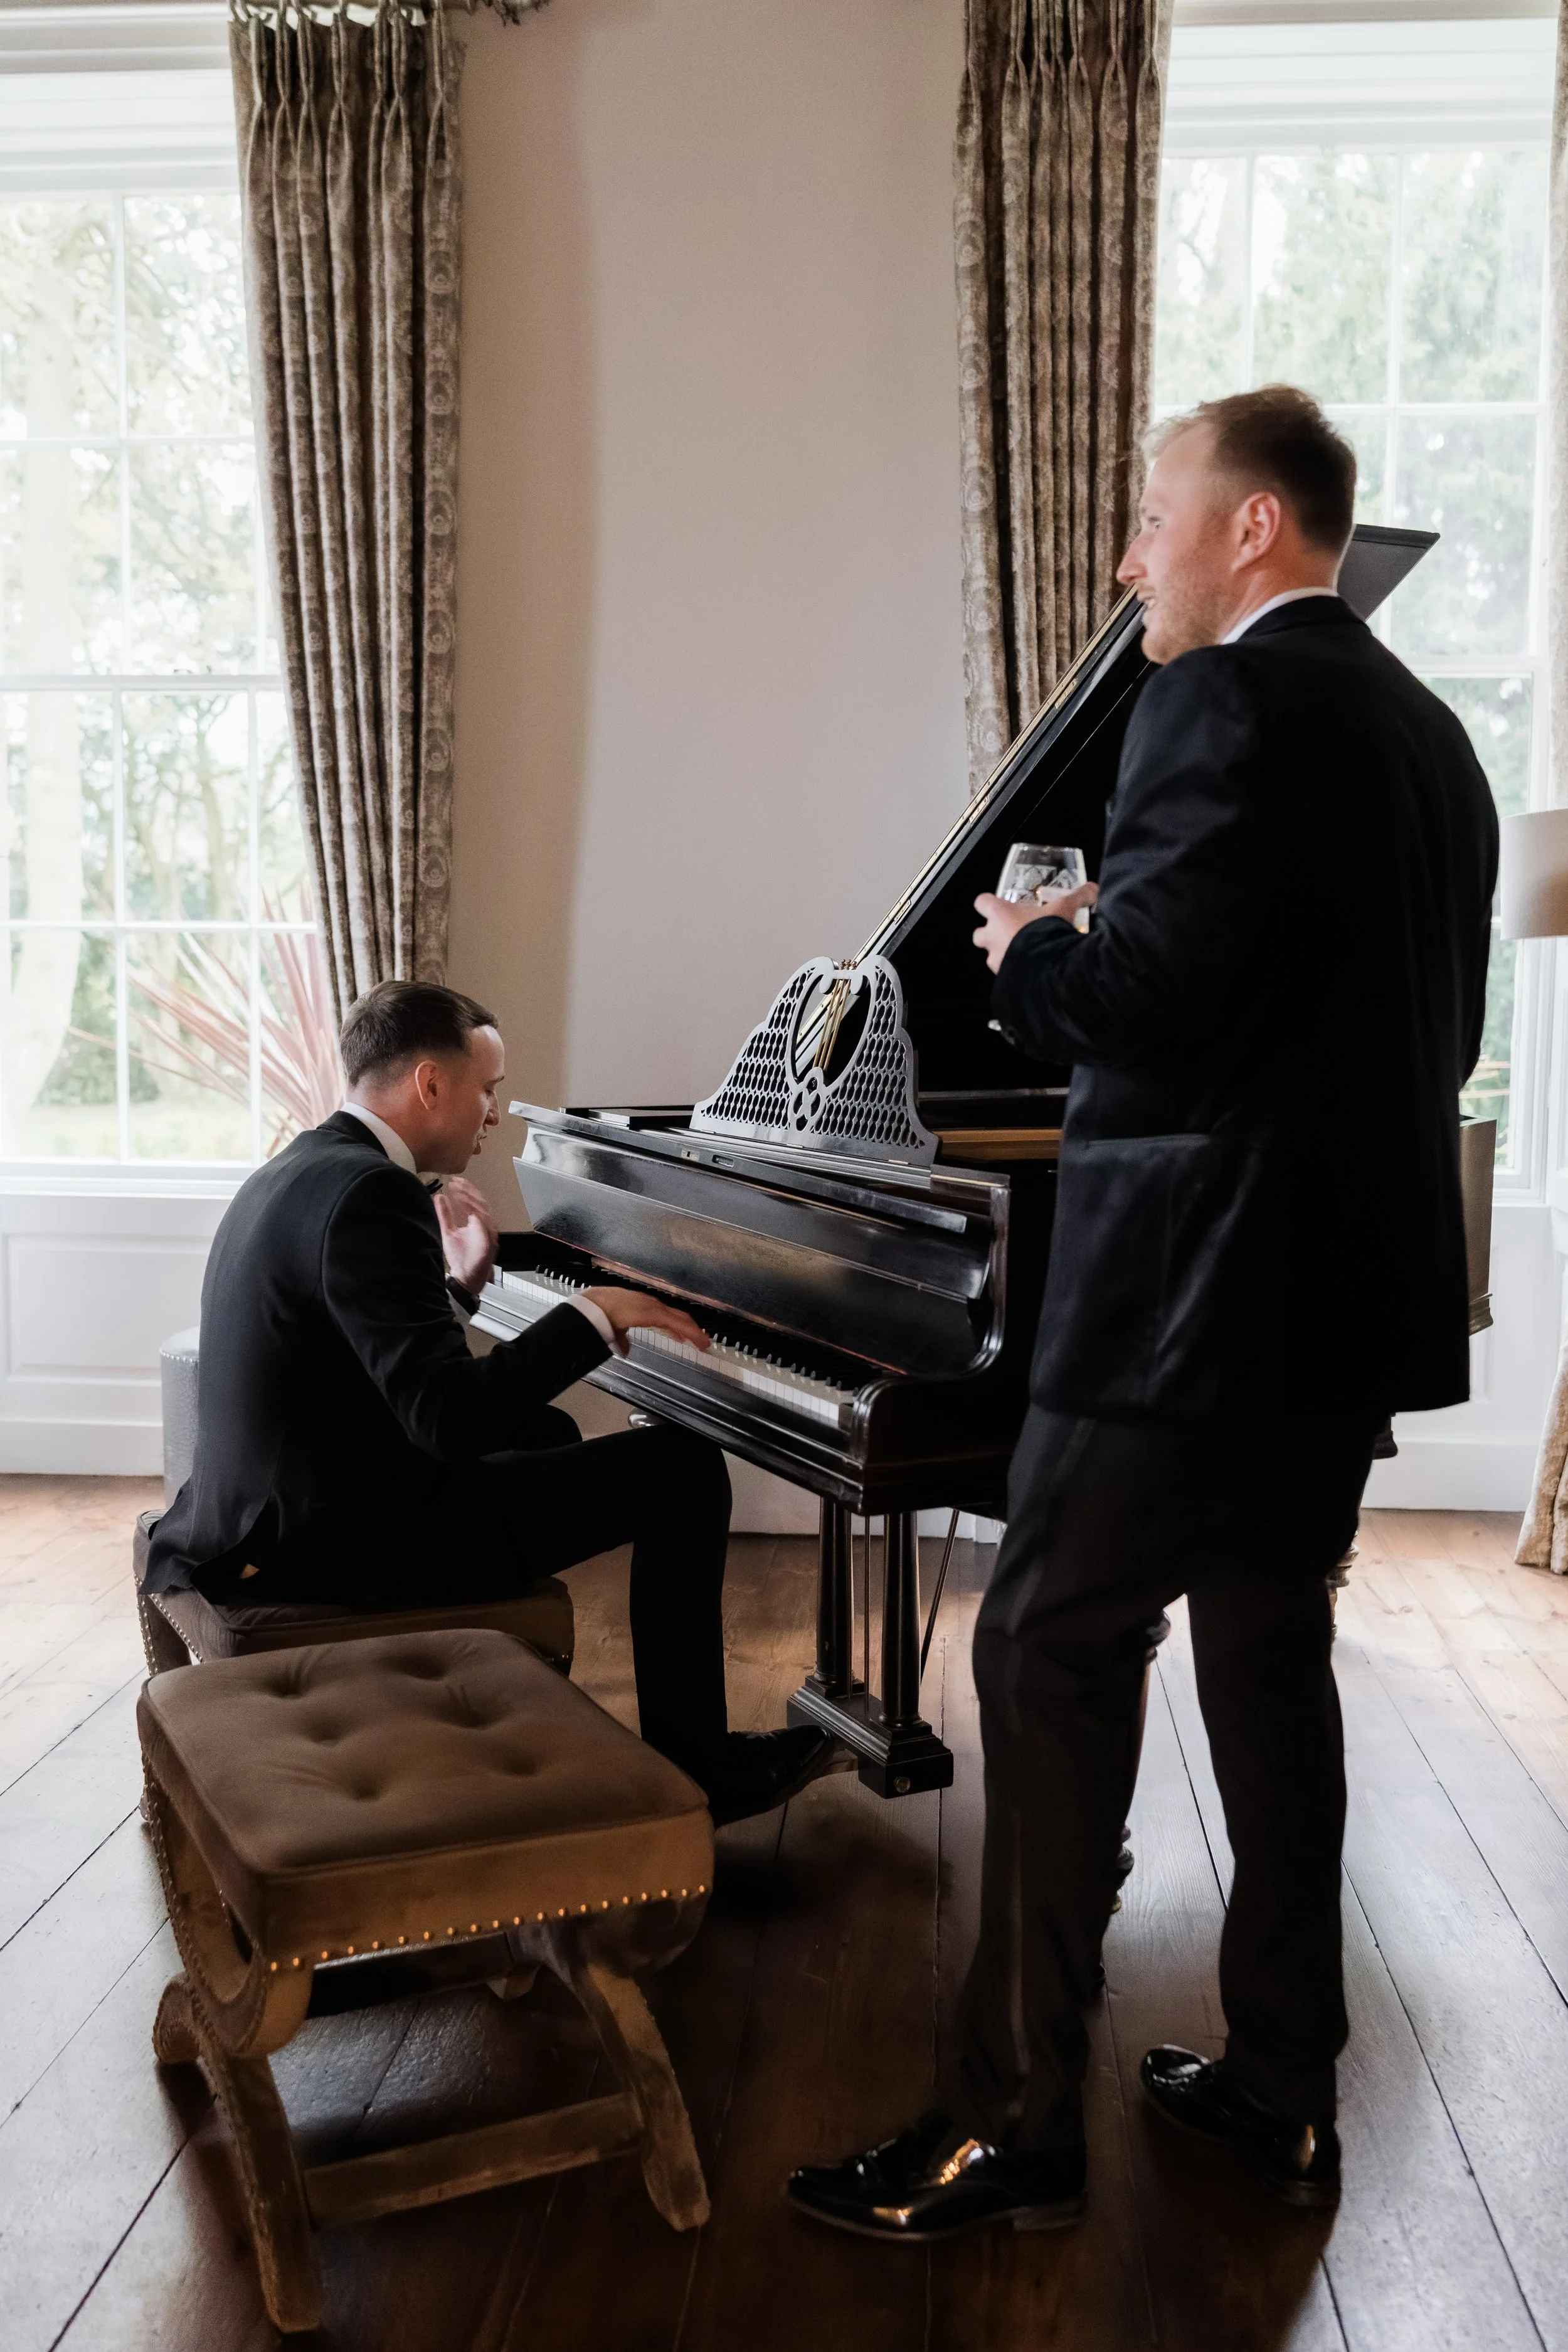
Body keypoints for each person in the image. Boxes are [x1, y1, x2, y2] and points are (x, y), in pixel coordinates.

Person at [786, 385, 1498, 2238]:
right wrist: (1138, 924)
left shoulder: (1212, 700)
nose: (1128, 559)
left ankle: (1009, 2122)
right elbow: (1400, 1030)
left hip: (1187, 1310)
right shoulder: (1432, 741)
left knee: (1042, 1650)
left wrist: (1039, 949)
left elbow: (1143, 1013)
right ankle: (1281, 2082)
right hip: (1343, 1315)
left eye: (1152, 517)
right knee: (1266, 1664)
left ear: (1250, 526)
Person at [145, 978, 830, 1827]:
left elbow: (365, 1360)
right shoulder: (375, 1193)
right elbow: (448, 1420)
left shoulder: (306, 1165)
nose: (496, 1114)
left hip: (275, 1507)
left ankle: (534, 1702)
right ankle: (703, 1766)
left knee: (548, 1428)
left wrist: (461, 1291)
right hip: (330, 1538)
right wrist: (592, 1313)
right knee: (683, 1469)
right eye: (489, 1089)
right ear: (431, 1083)